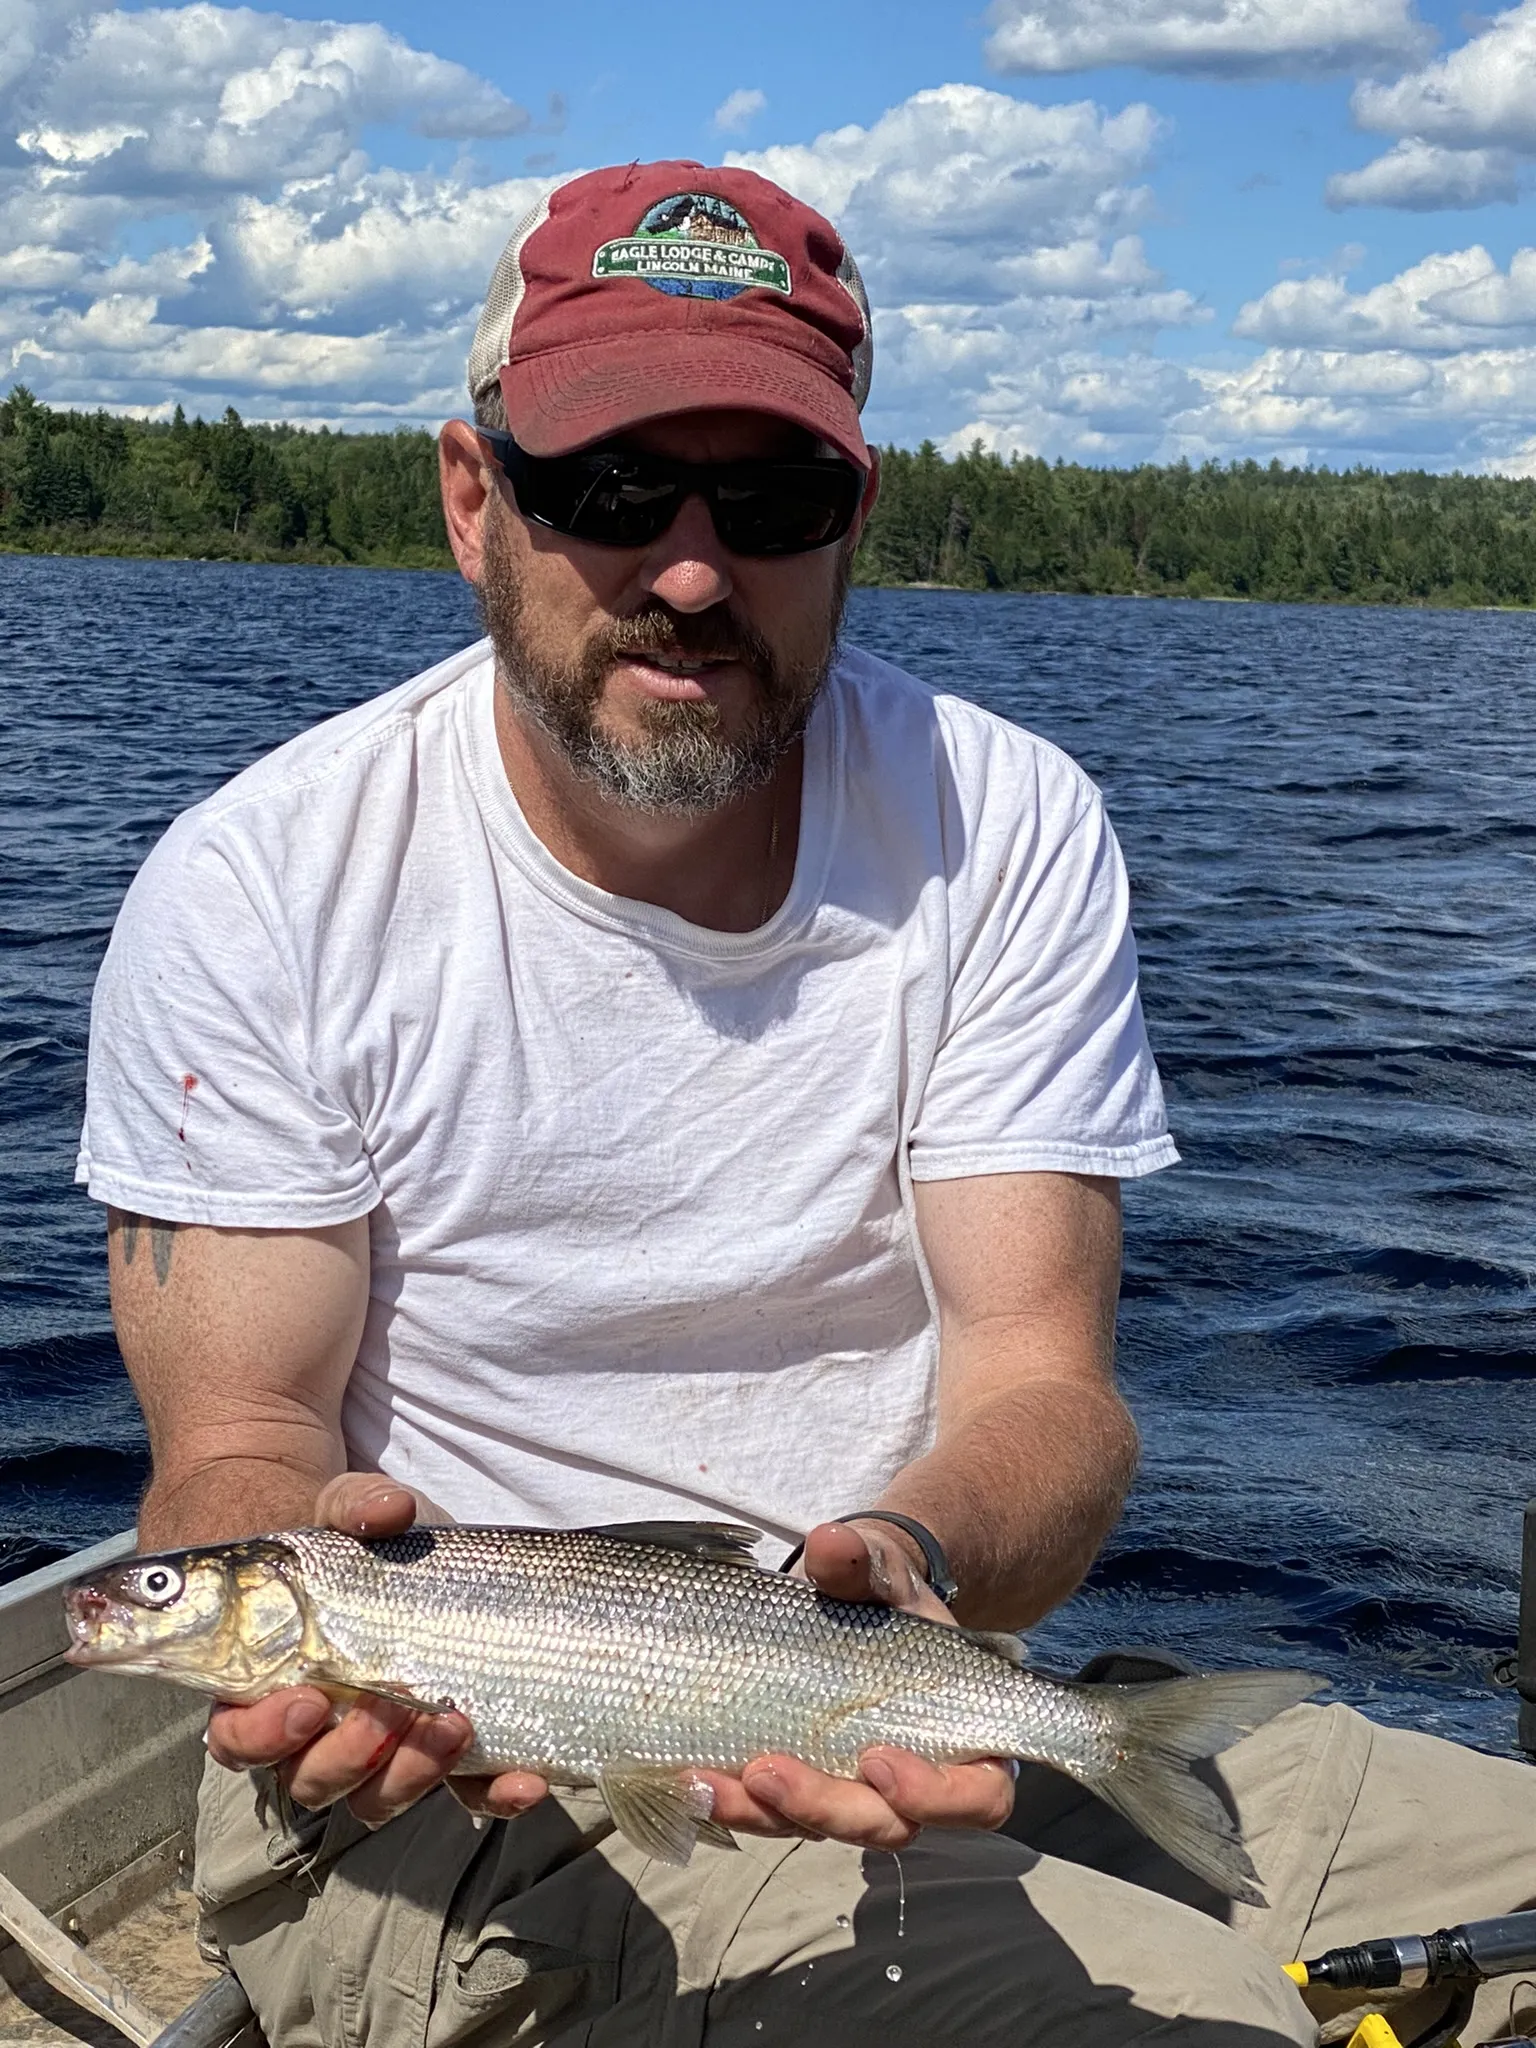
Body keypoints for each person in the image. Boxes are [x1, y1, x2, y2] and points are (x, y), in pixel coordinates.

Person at [79, 160, 1536, 2048]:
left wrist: (914, 1563)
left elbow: (1046, 1395)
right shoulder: (264, 882)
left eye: (768, 500)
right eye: (610, 488)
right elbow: (239, 1447)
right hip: (450, 1811)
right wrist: (297, 1575)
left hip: (896, 1690)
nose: (691, 574)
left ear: (856, 518)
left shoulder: (1005, 823)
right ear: (473, 500)